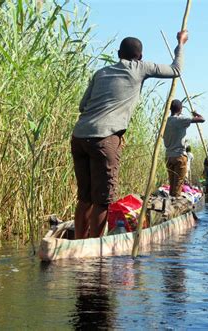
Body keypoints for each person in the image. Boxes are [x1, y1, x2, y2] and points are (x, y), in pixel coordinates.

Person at [71, 31, 189, 239]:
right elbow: (176, 70)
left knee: (85, 198)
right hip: (104, 138)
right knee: (101, 200)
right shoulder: (140, 68)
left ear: (118, 54)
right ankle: (93, 246)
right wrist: (180, 43)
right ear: (140, 57)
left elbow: (82, 106)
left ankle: (80, 240)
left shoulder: (101, 73)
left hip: (79, 136)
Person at [163, 100, 204, 197]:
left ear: (170, 109)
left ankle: (171, 203)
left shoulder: (166, 121)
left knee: (172, 185)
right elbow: (202, 119)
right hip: (179, 156)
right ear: (180, 109)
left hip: (169, 157)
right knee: (177, 186)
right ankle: (175, 207)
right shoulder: (180, 119)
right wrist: (196, 114)